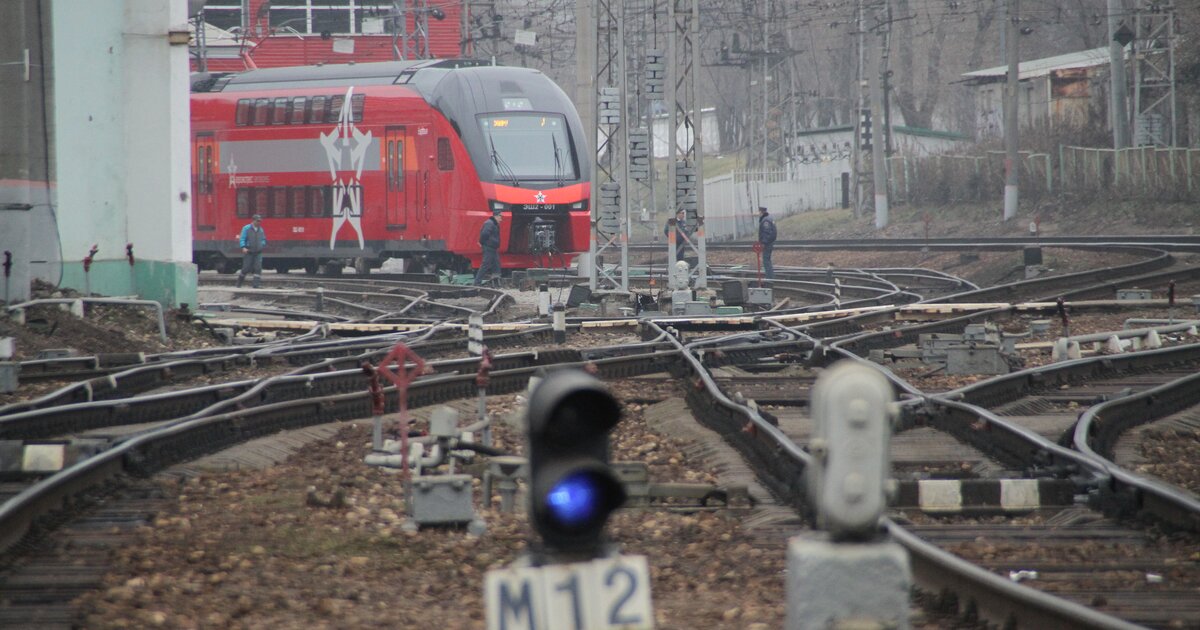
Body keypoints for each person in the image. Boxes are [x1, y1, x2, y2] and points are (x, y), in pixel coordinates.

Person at [237, 214, 266, 288]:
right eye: (258, 221)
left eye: (260, 221)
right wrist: (243, 247)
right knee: (246, 268)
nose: (259, 222)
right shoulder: (246, 228)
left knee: (258, 268)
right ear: (253, 221)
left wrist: (262, 244)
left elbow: (263, 239)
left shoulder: (261, 229)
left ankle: (256, 285)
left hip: (258, 252)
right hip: (249, 251)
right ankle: (239, 283)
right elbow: (242, 238)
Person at [474, 209, 502, 286]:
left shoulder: (493, 224)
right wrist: (482, 242)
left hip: (493, 248)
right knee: (485, 264)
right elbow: (484, 234)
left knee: (496, 264)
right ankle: (477, 283)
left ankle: (496, 282)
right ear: (496, 216)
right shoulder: (490, 223)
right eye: (500, 217)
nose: (501, 219)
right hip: (489, 247)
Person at [757, 206, 777, 280]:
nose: (758, 213)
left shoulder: (765, 221)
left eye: (759, 211)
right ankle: (770, 277)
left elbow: (766, 233)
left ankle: (769, 278)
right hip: (770, 243)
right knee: (767, 260)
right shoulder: (769, 218)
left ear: (761, 212)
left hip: (767, 244)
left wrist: (763, 243)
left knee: (766, 261)